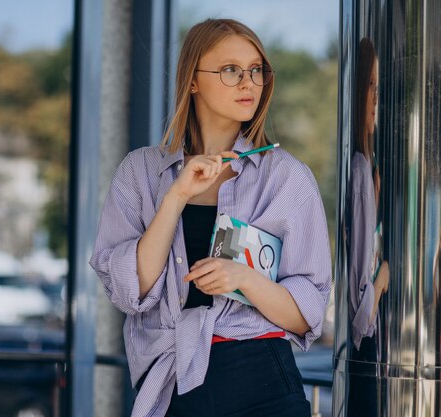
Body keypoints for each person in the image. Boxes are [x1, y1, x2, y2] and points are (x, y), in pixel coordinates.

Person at [89, 18, 331, 417]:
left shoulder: (287, 177)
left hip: (262, 376)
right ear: (193, 81)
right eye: (231, 70)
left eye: (256, 70)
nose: (248, 83)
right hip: (174, 380)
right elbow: (132, 290)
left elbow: (307, 316)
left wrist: (244, 279)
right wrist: (177, 195)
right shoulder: (140, 172)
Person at [345, 37, 390, 417]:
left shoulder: (364, 171)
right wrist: (381, 280)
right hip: (366, 355)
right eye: (371, 84)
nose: (376, 96)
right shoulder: (359, 169)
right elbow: (359, 317)